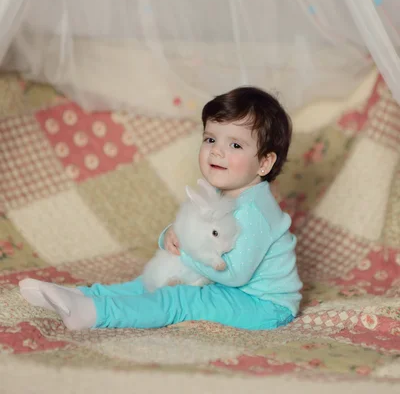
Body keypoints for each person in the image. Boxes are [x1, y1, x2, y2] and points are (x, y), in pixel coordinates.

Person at [19, 86, 302, 331]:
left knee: (181, 299)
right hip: (225, 285)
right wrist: (171, 236)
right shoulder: (220, 192)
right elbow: (195, 229)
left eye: (236, 144)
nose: (216, 151)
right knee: (153, 280)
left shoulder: (256, 213)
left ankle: (94, 313)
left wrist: (188, 254)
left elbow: (235, 275)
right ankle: (80, 296)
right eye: (211, 139)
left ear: (264, 163)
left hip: (263, 305)